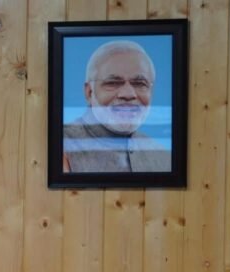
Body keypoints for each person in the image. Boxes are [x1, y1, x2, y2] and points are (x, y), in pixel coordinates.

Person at [62, 40, 171, 173]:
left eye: (139, 83)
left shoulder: (162, 156)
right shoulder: (59, 145)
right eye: (113, 83)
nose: (128, 94)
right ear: (89, 92)